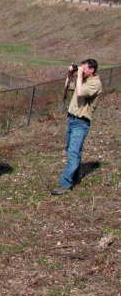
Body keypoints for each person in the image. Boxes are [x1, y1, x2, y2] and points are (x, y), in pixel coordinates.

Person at [51, 59, 102, 195]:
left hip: (81, 122)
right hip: (72, 119)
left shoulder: (95, 83)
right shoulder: (83, 79)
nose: (82, 71)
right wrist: (70, 74)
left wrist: (79, 75)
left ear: (92, 70)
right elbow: (67, 87)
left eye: (84, 69)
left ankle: (65, 184)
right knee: (72, 150)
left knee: (73, 152)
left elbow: (80, 93)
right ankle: (76, 176)